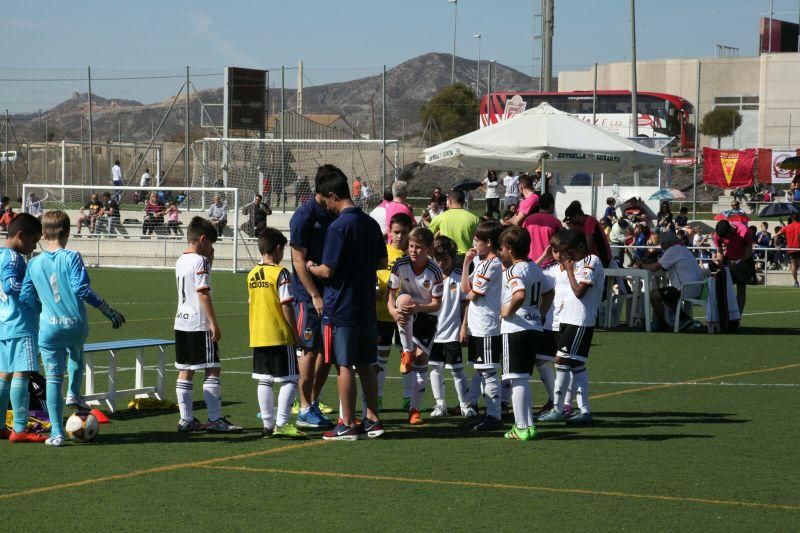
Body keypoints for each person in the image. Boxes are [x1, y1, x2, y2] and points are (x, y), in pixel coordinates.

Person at [20, 210, 125, 446]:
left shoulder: (34, 263)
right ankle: (74, 394)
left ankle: (56, 433)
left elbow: (26, 297)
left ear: (43, 234)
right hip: (75, 325)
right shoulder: (73, 257)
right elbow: (82, 290)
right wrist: (108, 310)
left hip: (49, 329)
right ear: (67, 232)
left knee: (54, 379)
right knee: (76, 357)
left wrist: (42, 307)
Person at [306, 164, 387, 440]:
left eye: (325, 199)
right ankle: (373, 419)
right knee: (366, 363)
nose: (325, 206)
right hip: (366, 303)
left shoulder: (339, 226)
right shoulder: (371, 223)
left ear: (332, 195)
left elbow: (328, 271)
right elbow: (382, 262)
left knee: (344, 364)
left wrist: (311, 266)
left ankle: (348, 423)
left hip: (340, 306)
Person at [173, 217, 241, 433]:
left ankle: (186, 420)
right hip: (198, 324)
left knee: (186, 370)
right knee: (213, 369)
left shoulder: (181, 260)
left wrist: (208, 260)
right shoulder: (200, 262)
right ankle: (215, 419)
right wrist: (214, 323)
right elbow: (202, 293)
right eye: (210, 243)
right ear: (202, 239)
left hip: (181, 322)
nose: (211, 248)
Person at [539, 229, 604, 426]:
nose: (568, 257)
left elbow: (579, 292)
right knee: (576, 364)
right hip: (567, 320)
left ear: (581, 247)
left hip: (580, 320)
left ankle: (559, 409)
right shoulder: (575, 263)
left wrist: (568, 269)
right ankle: (583, 411)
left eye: (570, 252)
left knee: (561, 360)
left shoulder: (592, 261)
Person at [248, 227, 306, 439]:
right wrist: (295, 333)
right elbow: (286, 306)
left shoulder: (252, 274)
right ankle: (281, 423)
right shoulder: (281, 273)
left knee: (264, 380)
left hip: (258, 334)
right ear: (279, 248)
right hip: (280, 335)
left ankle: (267, 424)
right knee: (290, 379)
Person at [289, 169, 336, 430]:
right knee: (309, 349)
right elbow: (298, 261)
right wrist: (314, 294)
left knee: (326, 353)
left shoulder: (332, 212)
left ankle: (312, 402)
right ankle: (303, 406)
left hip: (330, 293)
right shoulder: (303, 216)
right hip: (307, 296)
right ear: (325, 193)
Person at [498, 226, 551, 441]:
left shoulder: (513, 270)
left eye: (501, 248)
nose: (500, 251)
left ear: (509, 249)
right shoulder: (535, 268)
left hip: (516, 328)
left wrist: (507, 311)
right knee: (523, 379)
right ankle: (528, 425)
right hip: (534, 327)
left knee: (516, 379)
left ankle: (520, 427)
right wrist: (541, 314)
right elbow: (549, 292)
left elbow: (518, 294)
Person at [387, 227, 443, 425]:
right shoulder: (399, 265)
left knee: (421, 362)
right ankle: (406, 351)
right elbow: (391, 298)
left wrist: (418, 307)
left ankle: (414, 410)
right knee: (402, 299)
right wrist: (393, 312)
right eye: (411, 246)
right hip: (406, 312)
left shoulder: (435, 271)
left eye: (418, 247)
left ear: (428, 249)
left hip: (427, 315)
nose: (413, 251)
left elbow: (437, 303)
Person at [0, 214, 46, 443]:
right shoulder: (14, 258)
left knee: (4, 375)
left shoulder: (0, 255)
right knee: (22, 373)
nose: (33, 247)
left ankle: (0, 426)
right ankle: (19, 428)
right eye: (33, 241)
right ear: (20, 235)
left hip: (5, 324)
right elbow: (9, 285)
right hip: (21, 324)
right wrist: (33, 288)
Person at [460, 219, 504, 432]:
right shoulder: (481, 263)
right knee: (480, 370)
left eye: (477, 240)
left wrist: (469, 291)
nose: (474, 244)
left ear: (488, 242)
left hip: (487, 325)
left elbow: (471, 294)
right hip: (478, 326)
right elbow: (464, 288)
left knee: (488, 371)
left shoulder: (493, 265)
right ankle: (485, 411)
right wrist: (467, 263)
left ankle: (494, 415)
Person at [428, 235, 474, 418]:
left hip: (452, 333)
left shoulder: (458, 278)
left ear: (453, 258)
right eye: (437, 259)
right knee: (434, 369)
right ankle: (440, 404)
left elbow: (466, 304)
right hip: (432, 334)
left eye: (444, 260)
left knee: (457, 370)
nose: (440, 263)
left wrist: (464, 327)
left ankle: (465, 405)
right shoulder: (430, 277)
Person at [375, 213, 412, 411]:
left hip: (405, 314)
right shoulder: (382, 253)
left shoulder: (412, 256)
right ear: (389, 231)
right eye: (396, 232)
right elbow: (373, 276)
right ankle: (378, 397)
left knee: (406, 356)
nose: (399, 236)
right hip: (382, 313)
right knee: (381, 357)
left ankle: (408, 398)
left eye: (403, 233)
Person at [636, 231, 704, 330]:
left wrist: (641, 265)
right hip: (697, 287)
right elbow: (664, 267)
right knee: (664, 293)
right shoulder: (683, 249)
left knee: (654, 295)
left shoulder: (672, 250)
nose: (662, 246)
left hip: (685, 289)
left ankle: (668, 323)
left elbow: (655, 267)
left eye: (662, 243)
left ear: (668, 243)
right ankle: (679, 320)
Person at [714, 219, 754, 313]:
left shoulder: (744, 231)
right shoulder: (718, 234)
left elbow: (749, 252)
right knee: (723, 289)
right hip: (728, 260)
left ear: (730, 230)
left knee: (741, 290)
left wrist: (737, 263)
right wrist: (719, 263)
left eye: (726, 237)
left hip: (744, 260)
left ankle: (737, 316)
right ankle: (725, 314)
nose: (725, 239)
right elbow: (719, 251)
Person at [428, 189, 480, 261]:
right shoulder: (474, 218)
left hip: (445, 257)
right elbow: (480, 239)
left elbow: (427, 236)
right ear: (463, 201)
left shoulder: (440, 217)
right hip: (466, 257)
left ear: (449, 201)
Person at [563, 200, 613, 267]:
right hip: (590, 258)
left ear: (577, 215)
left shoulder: (589, 221)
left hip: (602, 257)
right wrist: (571, 229)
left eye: (571, 219)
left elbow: (588, 245)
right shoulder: (577, 225)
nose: (570, 221)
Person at [521, 192, 562, 263]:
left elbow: (522, 240)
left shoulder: (528, 221)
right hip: (550, 265)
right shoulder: (556, 222)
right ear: (552, 205)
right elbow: (561, 244)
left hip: (531, 263)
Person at [777, 213, 800, 287]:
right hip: (798, 247)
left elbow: (777, 235)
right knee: (795, 264)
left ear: (792, 219)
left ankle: (796, 282)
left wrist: (776, 245)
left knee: (793, 264)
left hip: (791, 249)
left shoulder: (787, 227)